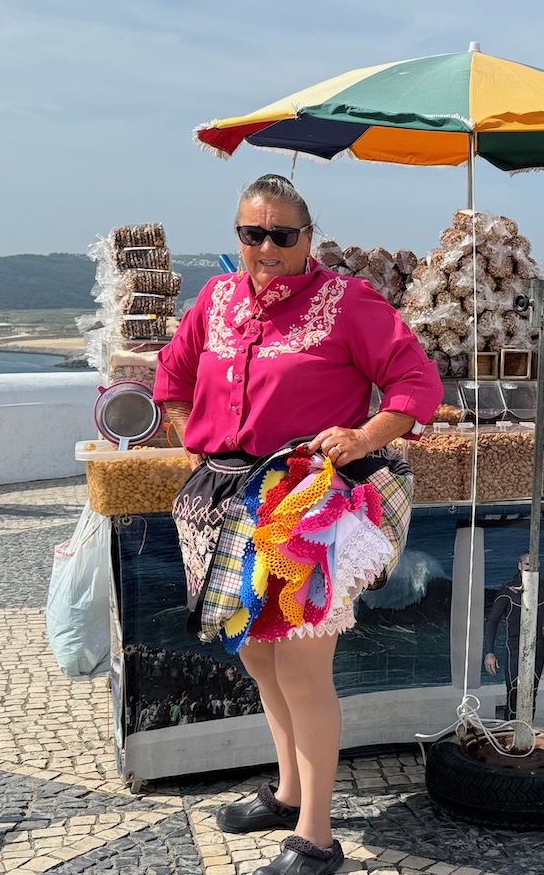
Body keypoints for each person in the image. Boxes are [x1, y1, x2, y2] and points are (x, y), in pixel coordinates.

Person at [154, 174, 442, 875]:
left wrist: (367, 434)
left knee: (304, 667)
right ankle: (287, 793)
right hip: (221, 500)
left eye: (282, 234)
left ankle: (317, 836)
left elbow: (416, 383)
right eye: (252, 233)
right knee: (257, 654)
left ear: (308, 238)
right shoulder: (216, 299)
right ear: (238, 237)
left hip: (303, 506)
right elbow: (173, 375)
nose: (267, 247)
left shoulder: (350, 303)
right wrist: (190, 432)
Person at [483, 552, 544, 721]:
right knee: (514, 693)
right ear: (520, 566)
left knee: (531, 693)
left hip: (538, 646)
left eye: (534, 564)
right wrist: (489, 652)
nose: (530, 568)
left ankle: (526, 736)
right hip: (515, 647)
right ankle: (511, 736)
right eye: (527, 564)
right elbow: (492, 622)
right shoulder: (508, 591)